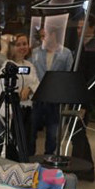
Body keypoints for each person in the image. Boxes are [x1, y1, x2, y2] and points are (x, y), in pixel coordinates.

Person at [30, 26, 74, 155]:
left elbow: (69, 75)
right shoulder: (35, 52)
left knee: (52, 133)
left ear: (54, 35)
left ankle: (49, 157)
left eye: (45, 36)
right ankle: (29, 157)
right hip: (37, 97)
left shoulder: (65, 53)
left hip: (55, 98)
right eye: (41, 36)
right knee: (31, 130)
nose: (43, 39)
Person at [73, 15, 95, 181]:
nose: (79, 30)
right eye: (78, 27)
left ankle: (79, 168)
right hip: (78, 95)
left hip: (85, 97)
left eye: (83, 27)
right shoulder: (84, 46)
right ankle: (85, 168)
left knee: (77, 132)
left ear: (92, 28)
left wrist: (85, 104)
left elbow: (93, 79)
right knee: (77, 132)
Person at [0, 33, 40, 156]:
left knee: (28, 141)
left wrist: (29, 89)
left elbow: (37, 84)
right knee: (13, 144)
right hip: (13, 112)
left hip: (28, 110)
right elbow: (3, 89)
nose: (22, 47)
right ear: (12, 47)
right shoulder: (7, 66)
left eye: (24, 44)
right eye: (18, 44)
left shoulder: (29, 65)